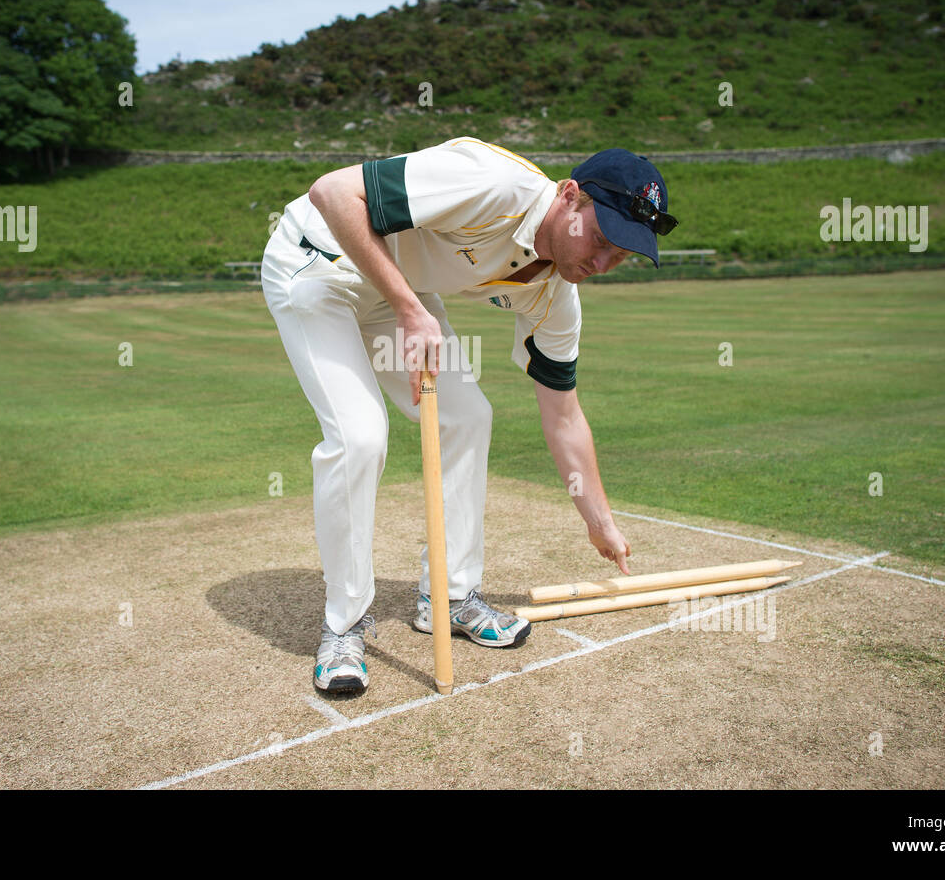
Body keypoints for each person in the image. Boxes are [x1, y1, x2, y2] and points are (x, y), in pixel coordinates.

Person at [261, 137, 678, 693]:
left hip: (393, 288)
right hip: (321, 261)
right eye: (601, 238)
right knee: (361, 437)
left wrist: (597, 520)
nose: (602, 263)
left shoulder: (556, 296)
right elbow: (333, 193)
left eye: (621, 256)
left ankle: (451, 597)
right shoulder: (494, 183)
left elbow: (564, 415)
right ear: (570, 196)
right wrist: (412, 310)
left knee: (470, 416)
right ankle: (345, 625)